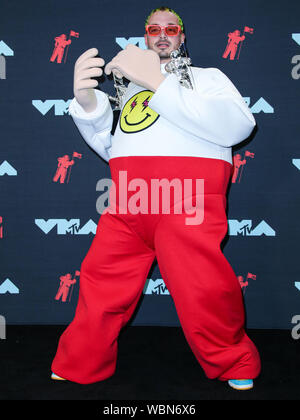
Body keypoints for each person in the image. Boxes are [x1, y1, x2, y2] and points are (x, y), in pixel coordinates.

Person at [51, 6, 261, 391]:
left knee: (203, 287)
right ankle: (80, 360)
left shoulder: (207, 78)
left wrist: (158, 83)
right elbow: (113, 148)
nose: (162, 34)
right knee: (101, 283)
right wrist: (87, 106)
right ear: (144, 36)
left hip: (188, 200)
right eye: (153, 28)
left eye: (171, 28)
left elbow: (237, 125)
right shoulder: (128, 90)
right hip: (130, 201)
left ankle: (233, 359)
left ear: (183, 36)